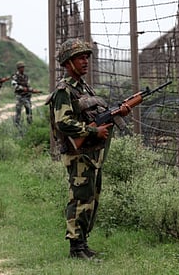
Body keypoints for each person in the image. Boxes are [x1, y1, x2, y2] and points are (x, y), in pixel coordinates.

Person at [47, 38, 130, 260]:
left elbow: (91, 114)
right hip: (78, 153)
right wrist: (93, 132)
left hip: (90, 154)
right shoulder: (64, 91)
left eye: (86, 57)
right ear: (68, 62)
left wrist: (116, 114)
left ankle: (82, 244)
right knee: (80, 199)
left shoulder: (83, 87)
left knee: (91, 199)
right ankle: (75, 248)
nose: (85, 61)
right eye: (80, 58)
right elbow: (63, 122)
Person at [11, 61, 34, 127]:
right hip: (19, 96)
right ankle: (17, 125)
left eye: (23, 67)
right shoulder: (15, 76)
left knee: (29, 110)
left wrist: (30, 89)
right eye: (21, 67)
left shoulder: (26, 76)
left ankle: (30, 125)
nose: (23, 69)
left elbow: (28, 85)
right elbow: (14, 85)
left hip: (27, 96)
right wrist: (23, 88)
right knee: (18, 111)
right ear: (18, 68)